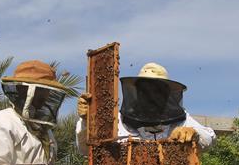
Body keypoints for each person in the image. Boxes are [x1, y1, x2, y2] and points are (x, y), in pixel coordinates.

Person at [75, 62, 216, 151]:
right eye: (145, 91)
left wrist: (194, 134)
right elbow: (85, 150)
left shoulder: (181, 119)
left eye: (157, 91)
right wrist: (87, 122)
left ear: (166, 95)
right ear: (137, 93)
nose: (151, 96)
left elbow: (209, 138)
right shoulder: (117, 121)